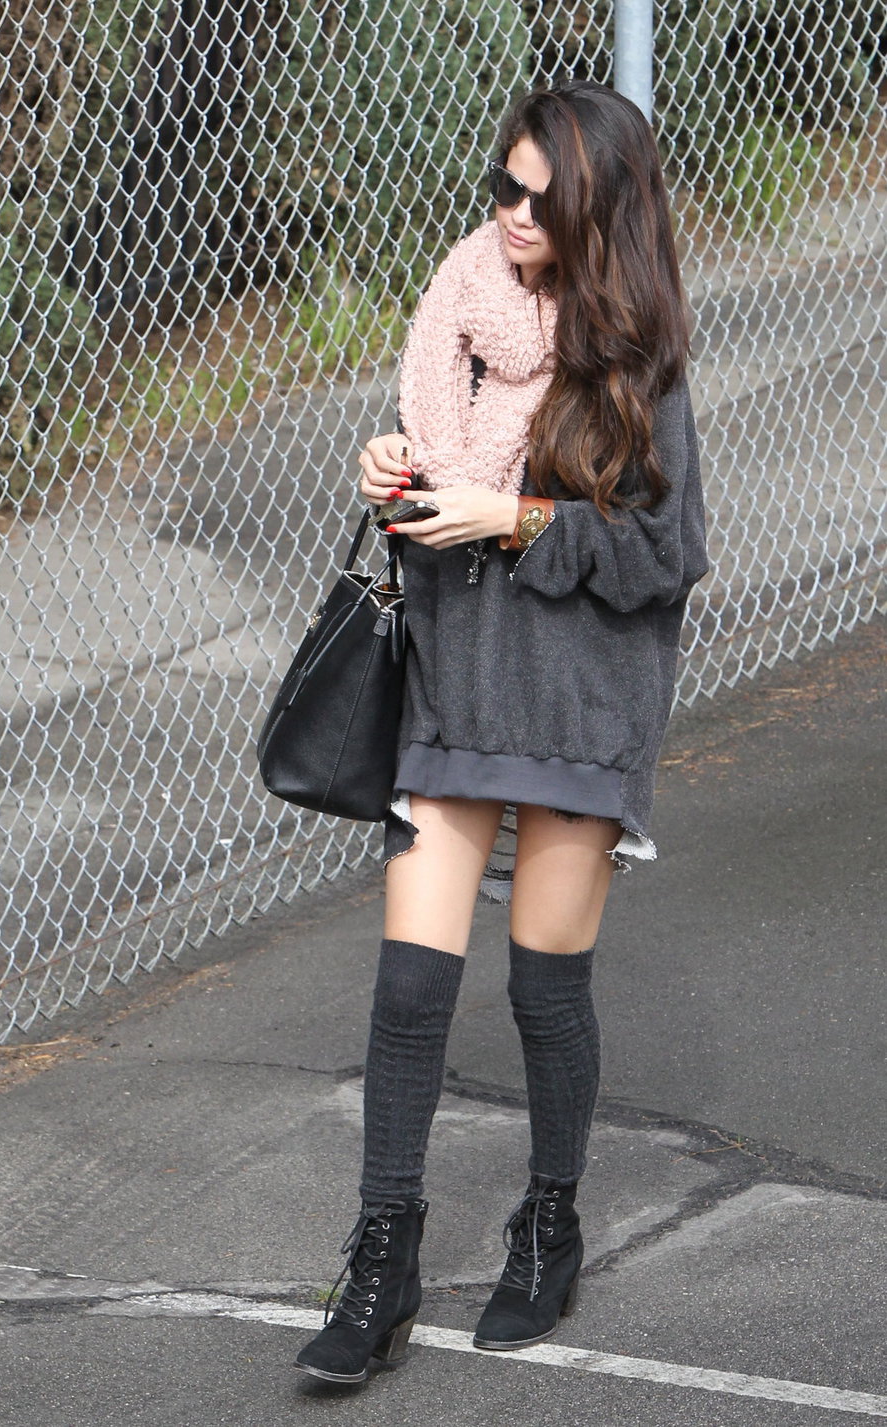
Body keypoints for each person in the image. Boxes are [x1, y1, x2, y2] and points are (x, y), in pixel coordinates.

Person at [294, 79, 709, 1384]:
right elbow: (435, 499)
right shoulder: (460, 320)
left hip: (580, 706)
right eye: (504, 187)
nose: (515, 215)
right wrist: (397, 482)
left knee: (542, 985)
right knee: (411, 986)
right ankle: (384, 1255)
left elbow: (663, 554)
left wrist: (516, 518)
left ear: (598, 209)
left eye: (543, 197)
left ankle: (549, 1224)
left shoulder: (636, 357)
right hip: (458, 686)